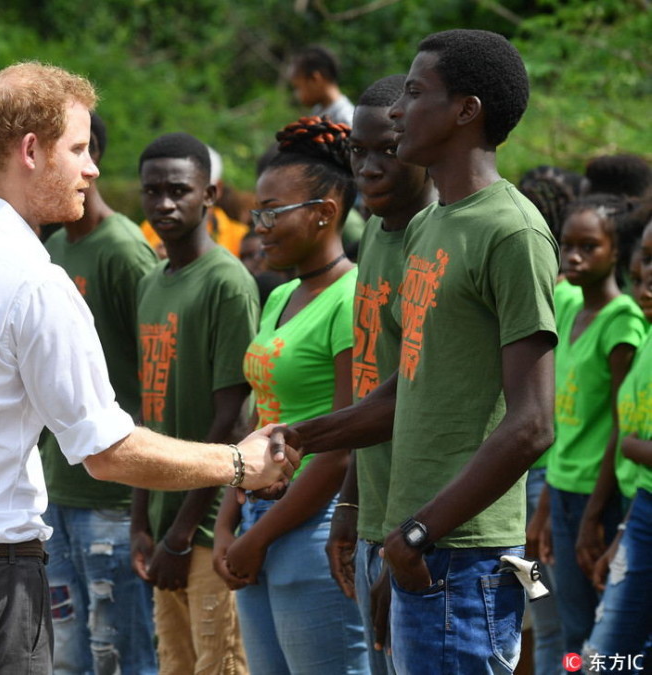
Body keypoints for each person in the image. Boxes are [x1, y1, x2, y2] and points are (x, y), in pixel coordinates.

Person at [0, 63, 297, 675]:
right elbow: (107, 451)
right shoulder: (32, 279)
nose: (92, 167)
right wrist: (239, 463)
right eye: (77, 148)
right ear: (29, 151)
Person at [269, 30, 559, 674]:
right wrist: (299, 437)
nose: (397, 110)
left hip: (464, 554)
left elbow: (534, 422)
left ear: (467, 110)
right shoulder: (427, 227)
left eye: (416, 92)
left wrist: (416, 535)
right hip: (415, 546)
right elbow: (405, 391)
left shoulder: (512, 231)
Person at [212, 116, 369, 675]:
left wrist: (258, 539)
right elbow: (260, 420)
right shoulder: (280, 297)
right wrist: (230, 524)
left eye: (272, 213)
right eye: (257, 214)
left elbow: (342, 445)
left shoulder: (352, 296)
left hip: (315, 531)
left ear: (325, 212)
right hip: (257, 523)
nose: (259, 229)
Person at [130, 132, 258, 675]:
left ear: (210, 194)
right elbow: (148, 415)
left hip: (205, 531)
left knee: (220, 665)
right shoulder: (152, 282)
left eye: (179, 190)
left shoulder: (227, 282)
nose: (164, 203)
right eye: (152, 191)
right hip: (162, 528)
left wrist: (181, 536)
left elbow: (230, 421)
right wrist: (141, 522)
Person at [40, 111, 158, 675]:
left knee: (121, 653)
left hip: (111, 495)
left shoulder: (124, 250)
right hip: (57, 486)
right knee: (68, 654)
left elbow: (151, 373)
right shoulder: (51, 246)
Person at [325, 73, 437, 675]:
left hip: (420, 534)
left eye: (386, 150)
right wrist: (349, 506)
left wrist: (404, 545)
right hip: (374, 518)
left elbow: (437, 412)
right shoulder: (372, 232)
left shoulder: (434, 239)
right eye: (357, 151)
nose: (367, 167)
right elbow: (373, 384)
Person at [527, 195, 646, 668]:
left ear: (616, 252)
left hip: (600, 497)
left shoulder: (623, 322)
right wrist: (545, 507)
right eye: (567, 246)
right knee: (571, 626)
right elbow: (563, 423)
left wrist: (595, 516)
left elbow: (622, 424)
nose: (573, 257)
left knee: (605, 633)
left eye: (589, 247)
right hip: (562, 490)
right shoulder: (572, 307)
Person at [583, 218, 652, 672]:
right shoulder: (648, 337)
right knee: (603, 659)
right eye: (645, 259)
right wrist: (625, 535)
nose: (647, 274)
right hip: (643, 511)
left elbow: (633, 444)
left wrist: (634, 448)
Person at [140, 145, 251, 258]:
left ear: (214, 191)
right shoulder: (149, 229)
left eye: (179, 191)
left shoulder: (240, 236)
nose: (166, 204)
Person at [288, 45, 355, 127]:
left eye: (298, 87)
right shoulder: (318, 110)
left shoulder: (346, 119)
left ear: (315, 79)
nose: (296, 94)